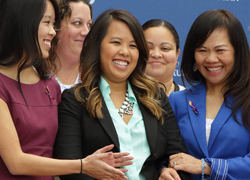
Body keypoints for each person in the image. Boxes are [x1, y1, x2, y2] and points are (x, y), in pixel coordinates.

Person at [0, 1, 131, 180]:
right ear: (23, 22)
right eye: (46, 23)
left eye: (53, 24)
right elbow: (16, 163)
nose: (53, 32)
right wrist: (83, 165)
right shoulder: (3, 84)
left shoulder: (50, 85)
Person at [53, 9, 190, 180]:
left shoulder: (155, 96)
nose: (125, 51)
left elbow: (177, 157)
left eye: (132, 46)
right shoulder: (75, 99)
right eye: (116, 42)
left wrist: (167, 171)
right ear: (97, 46)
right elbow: (70, 169)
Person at [167, 9, 250, 180]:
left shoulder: (247, 100)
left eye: (220, 50)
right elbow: (162, 154)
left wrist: (206, 167)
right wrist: (163, 170)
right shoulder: (176, 100)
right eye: (203, 50)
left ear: (237, 52)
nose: (211, 59)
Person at [47, 0, 93, 92]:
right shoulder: (33, 74)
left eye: (89, 25)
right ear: (56, 26)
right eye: (77, 23)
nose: (86, 32)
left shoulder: (94, 78)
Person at [142, 19, 184, 96]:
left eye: (165, 48)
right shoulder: (122, 96)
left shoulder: (191, 101)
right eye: (148, 48)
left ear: (177, 54)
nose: (156, 54)